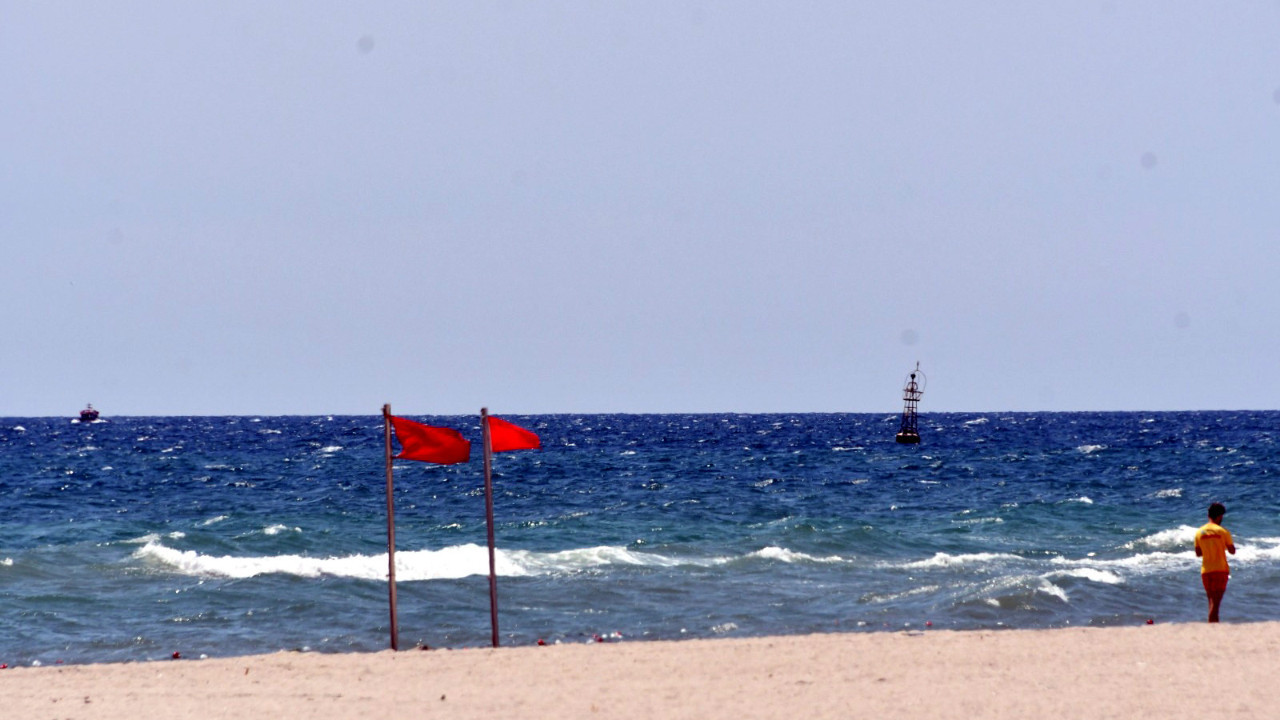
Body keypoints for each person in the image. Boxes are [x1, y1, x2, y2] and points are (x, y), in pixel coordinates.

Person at [1194, 502, 1236, 623]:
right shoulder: (1223, 531)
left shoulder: (1199, 532)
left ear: (1208, 515)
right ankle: (1211, 627)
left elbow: (1198, 553)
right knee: (1215, 604)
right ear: (1220, 516)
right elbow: (1232, 551)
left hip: (1206, 571)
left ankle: (1214, 626)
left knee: (1211, 601)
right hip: (1220, 570)